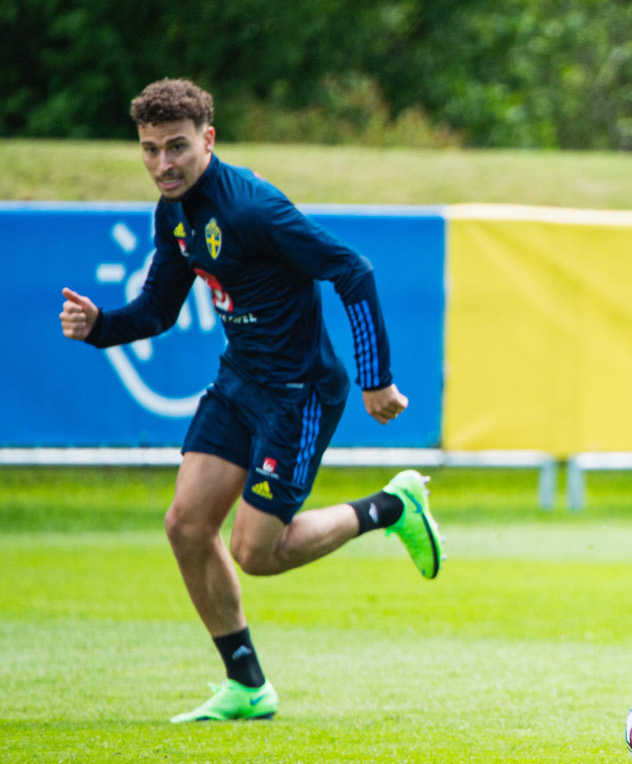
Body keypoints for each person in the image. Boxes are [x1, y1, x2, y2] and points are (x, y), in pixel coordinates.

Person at [59, 78, 445, 723]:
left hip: (298, 394)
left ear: (208, 140)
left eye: (176, 147)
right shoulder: (173, 212)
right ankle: (246, 686)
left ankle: (390, 507)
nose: (163, 164)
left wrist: (376, 380)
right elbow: (157, 308)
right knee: (185, 526)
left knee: (256, 553)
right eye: (150, 150)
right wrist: (101, 326)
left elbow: (353, 270)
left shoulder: (252, 209)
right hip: (239, 381)